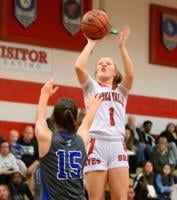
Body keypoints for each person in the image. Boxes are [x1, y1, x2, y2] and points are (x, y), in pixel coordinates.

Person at [74, 26, 134, 199]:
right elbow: (78, 66)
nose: (103, 65)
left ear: (115, 72)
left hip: (117, 144)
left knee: (121, 197)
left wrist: (122, 47)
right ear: (95, 71)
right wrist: (91, 43)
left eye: (108, 63)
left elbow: (130, 75)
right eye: (100, 63)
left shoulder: (121, 91)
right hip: (95, 143)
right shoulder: (91, 86)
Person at [35, 78, 102, 200]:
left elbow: (40, 118)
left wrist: (44, 94)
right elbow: (86, 122)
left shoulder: (46, 138)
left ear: (54, 117)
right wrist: (93, 107)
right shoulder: (81, 139)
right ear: (75, 118)